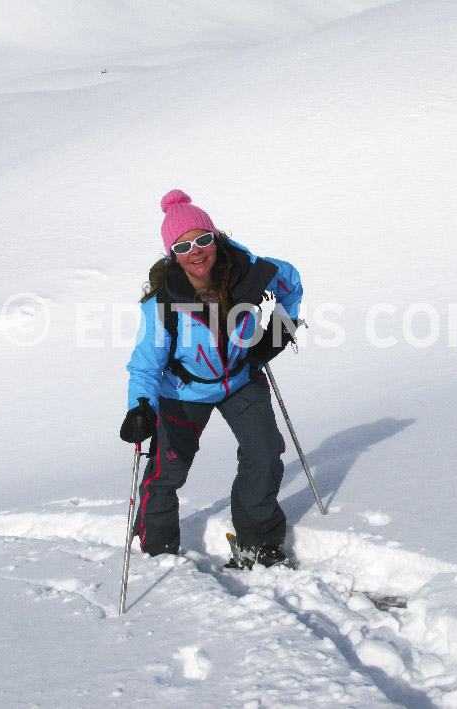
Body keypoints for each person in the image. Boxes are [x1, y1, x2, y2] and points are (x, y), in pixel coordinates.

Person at [119, 189, 303, 568]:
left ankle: (258, 541)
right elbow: (146, 365)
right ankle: (156, 547)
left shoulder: (250, 274)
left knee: (265, 454)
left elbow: (291, 282)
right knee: (168, 469)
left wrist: (279, 332)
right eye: (182, 246)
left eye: (202, 239)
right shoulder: (164, 303)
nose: (196, 251)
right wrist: (140, 406)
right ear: (172, 255)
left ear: (215, 238)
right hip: (183, 390)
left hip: (240, 379)